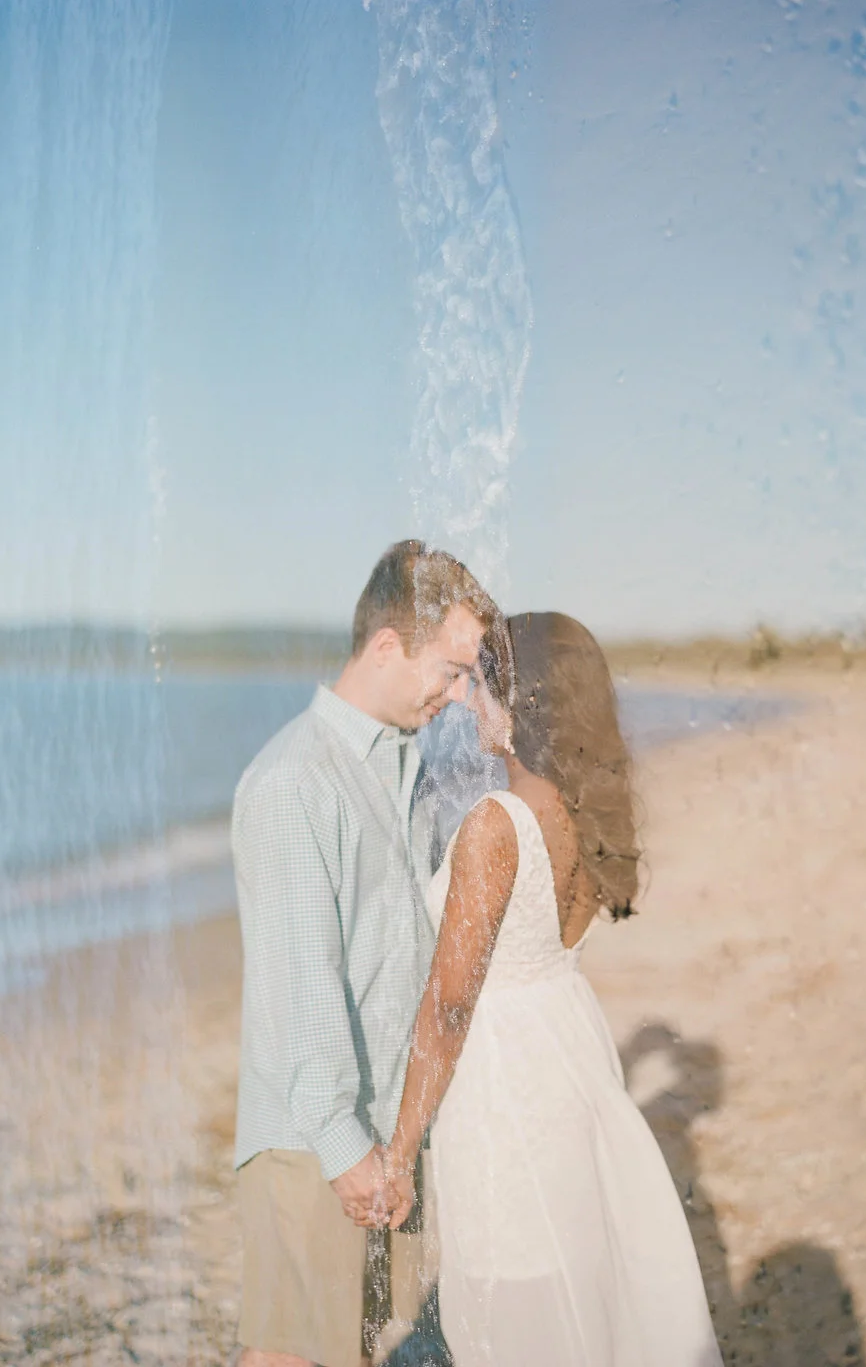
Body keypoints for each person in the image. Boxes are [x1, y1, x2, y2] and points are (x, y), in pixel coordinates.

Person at [380, 611, 724, 1366]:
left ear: (525, 702)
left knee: (514, 1293)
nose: (469, 704)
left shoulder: (495, 825)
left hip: (507, 1079)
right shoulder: (585, 810)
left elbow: (448, 1005)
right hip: (567, 1046)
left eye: (482, 687)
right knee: (570, 1268)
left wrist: (399, 1151)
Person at [232, 539, 499, 1367]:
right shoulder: (294, 783)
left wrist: (399, 1141)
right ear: (387, 647)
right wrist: (350, 1155)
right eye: (451, 671)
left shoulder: (401, 764)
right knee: (293, 1356)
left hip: (386, 1131)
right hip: (315, 1140)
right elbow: (301, 979)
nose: (458, 696)